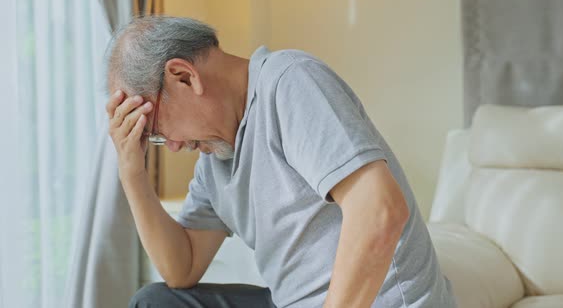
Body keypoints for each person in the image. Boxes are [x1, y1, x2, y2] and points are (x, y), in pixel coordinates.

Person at [105, 16, 456, 308]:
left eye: (158, 131)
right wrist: (131, 173)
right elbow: (181, 269)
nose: (174, 146)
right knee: (156, 303)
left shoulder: (289, 81)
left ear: (184, 76)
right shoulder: (214, 162)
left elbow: (380, 211)